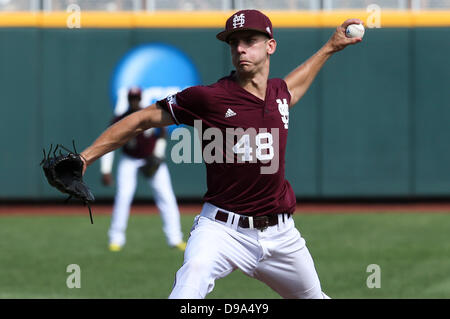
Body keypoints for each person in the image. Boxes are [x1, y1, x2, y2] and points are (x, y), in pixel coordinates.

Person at [79, 10, 363, 298]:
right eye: (233, 42)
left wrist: (331, 46)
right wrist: (85, 158)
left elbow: (295, 86)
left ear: (270, 46)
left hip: (281, 234)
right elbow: (143, 119)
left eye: (250, 40)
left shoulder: (278, 94)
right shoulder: (209, 98)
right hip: (221, 230)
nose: (240, 48)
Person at [100, 87, 186, 252]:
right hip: (130, 159)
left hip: (150, 158)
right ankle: (116, 239)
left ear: (140, 99)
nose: (134, 101)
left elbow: (162, 133)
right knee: (123, 197)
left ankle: (175, 238)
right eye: (132, 98)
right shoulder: (120, 118)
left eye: (136, 98)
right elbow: (109, 143)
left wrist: (158, 155)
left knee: (166, 196)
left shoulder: (148, 114)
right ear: (128, 99)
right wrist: (106, 169)